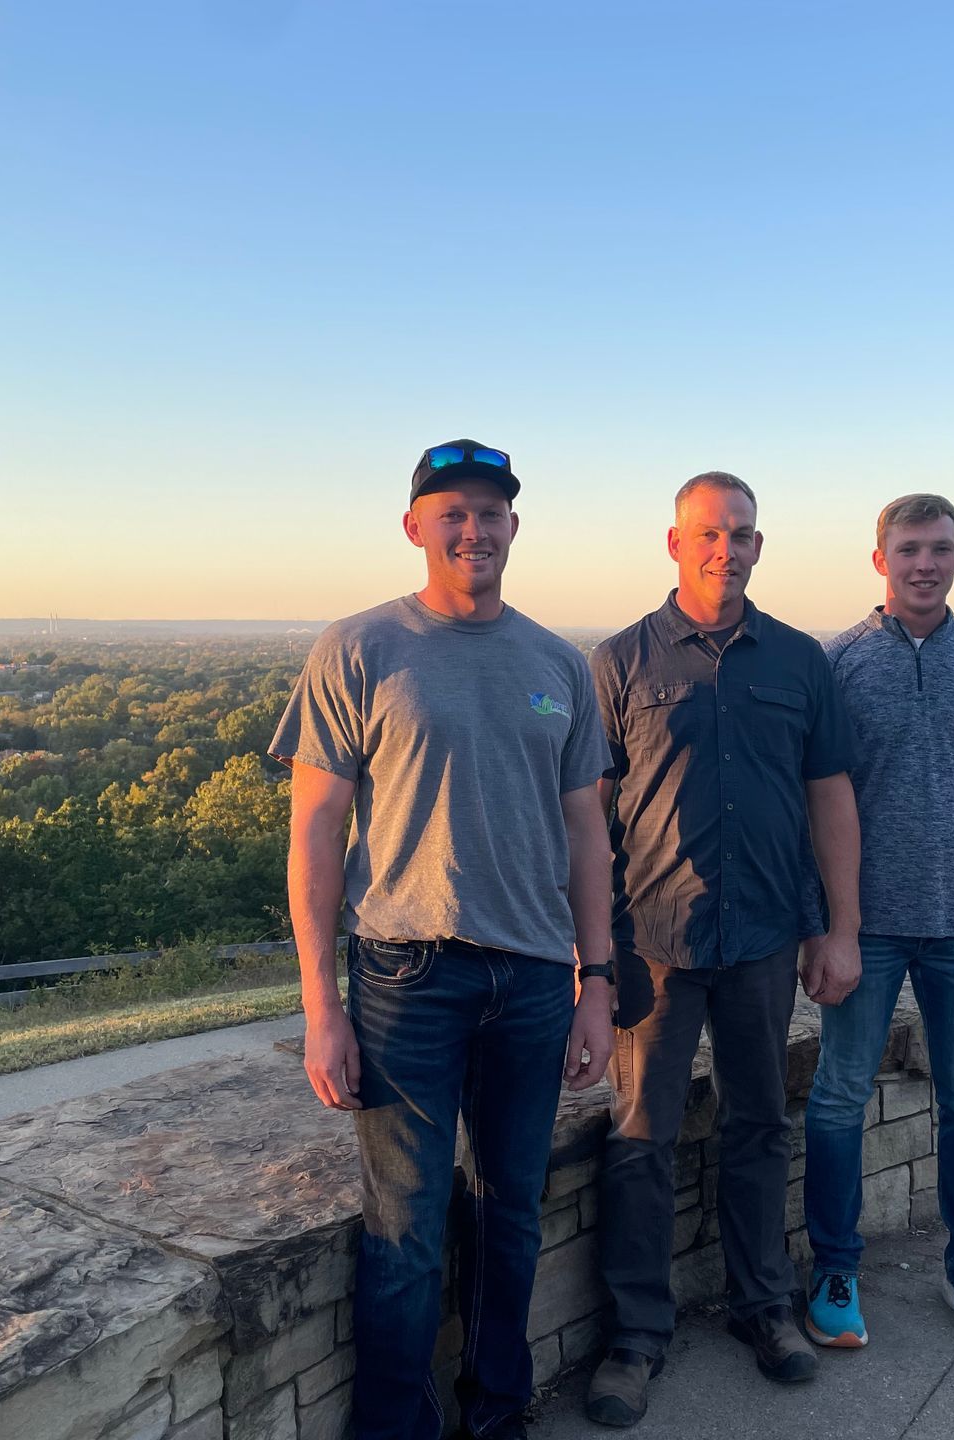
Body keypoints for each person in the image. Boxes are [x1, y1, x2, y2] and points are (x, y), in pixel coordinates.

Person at [272, 439, 617, 1440]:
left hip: (535, 980)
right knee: (407, 1231)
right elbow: (315, 832)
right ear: (415, 526)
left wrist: (596, 982)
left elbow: (588, 835)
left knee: (513, 1214)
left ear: (514, 526)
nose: (473, 529)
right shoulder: (360, 648)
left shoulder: (558, 662)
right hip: (405, 977)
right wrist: (321, 1008)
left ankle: (497, 1412)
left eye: (490, 512)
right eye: (452, 512)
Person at [583, 472, 862, 1428]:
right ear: (675, 544)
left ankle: (763, 1308)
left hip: (764, 937)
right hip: (653, 945)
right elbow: (586, 819)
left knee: (759, 1127)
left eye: (740, 534)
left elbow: (830, 797)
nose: (725, 549)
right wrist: (590, 953)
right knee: (640, 1139)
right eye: (708, 533)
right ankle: (635, 1337)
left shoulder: (798, 659)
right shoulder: (620, 662)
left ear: (757, 545)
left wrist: (839, 928)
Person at [799, 492, 954, 1355]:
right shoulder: (838, 664)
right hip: (861, 927)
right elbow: (809, 805)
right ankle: (834, 1271)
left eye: (939, 548)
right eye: (909, 549)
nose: (924, 564)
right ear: (881, 560)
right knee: (838, 1096)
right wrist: (822, 926)